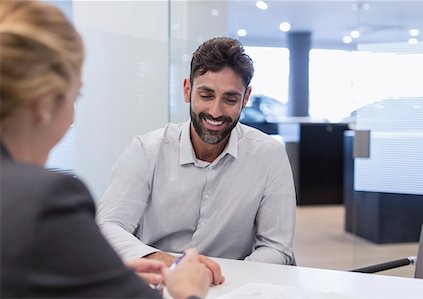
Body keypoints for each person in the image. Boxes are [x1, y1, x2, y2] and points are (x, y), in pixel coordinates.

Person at [0, 1, 210, 298]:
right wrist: (189, 290)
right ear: (46, 103)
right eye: (77, 94)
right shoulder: (44, 200)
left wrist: (99, 276)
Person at [97, 36, 297, 275]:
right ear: (187, 90)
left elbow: (276, 247)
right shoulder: (147, 150)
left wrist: (222, 277)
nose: (216, 111)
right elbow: (107, 224)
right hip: (159, 279)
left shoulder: (269, 155)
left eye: (230, 99)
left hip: (232, 285)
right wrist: (165, 262)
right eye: (206, 95)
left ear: (245, 99)